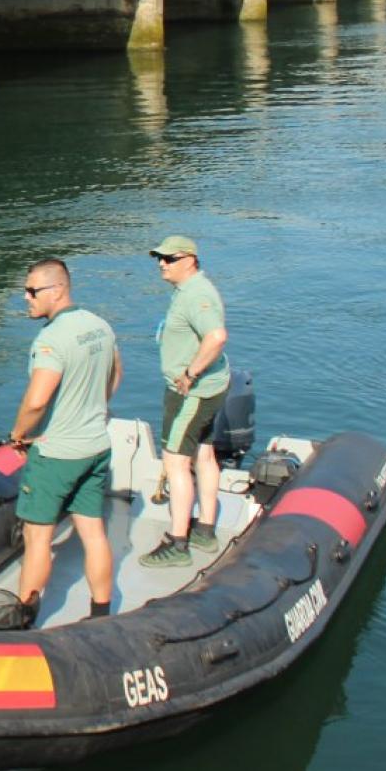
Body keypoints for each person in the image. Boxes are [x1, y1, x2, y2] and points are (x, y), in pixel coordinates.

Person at [6, 257, 121, 622]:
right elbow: (116, 373)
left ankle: (23, 619)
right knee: (92, 531)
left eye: (32, 291)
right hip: (96, 446)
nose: (26, 297)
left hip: (57, 454)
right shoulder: (98, 325)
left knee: (37, 537)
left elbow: (37, 399)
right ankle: (100, 612)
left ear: (57, 290)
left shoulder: (51, 339)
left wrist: (19, 433)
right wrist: (95, 408)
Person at [140, 235, 231, 568]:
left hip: (191, 393)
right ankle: (205, 528)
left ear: (190, 259)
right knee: (204, 453)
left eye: (169, 258)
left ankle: (178, 544)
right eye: (158, 259)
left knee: (177, 461)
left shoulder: (196, 296)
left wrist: (190, 373)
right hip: (210, 389)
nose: (162, 264)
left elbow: (217, 336)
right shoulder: (192, 291)